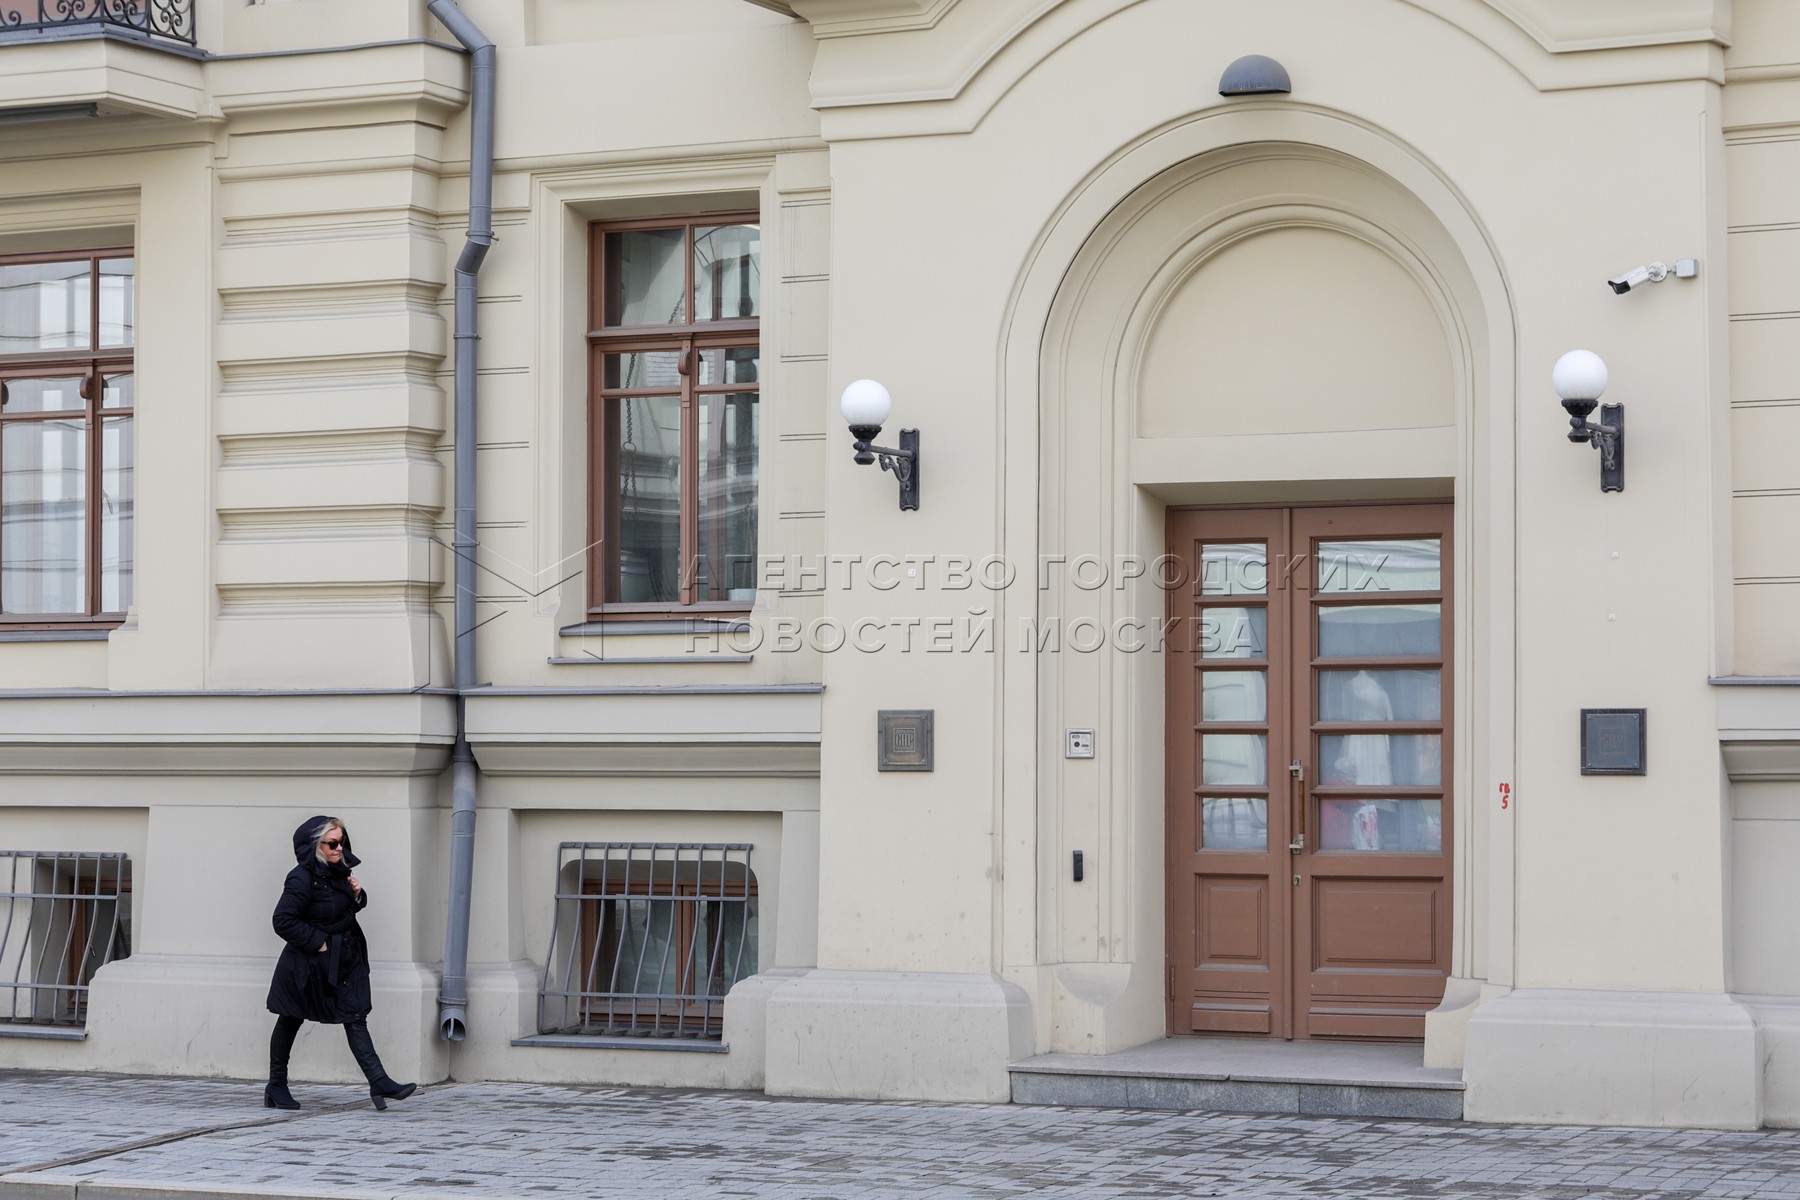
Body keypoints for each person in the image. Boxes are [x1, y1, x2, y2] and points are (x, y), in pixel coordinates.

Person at [263, 815, 417, 1111]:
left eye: (342, 841)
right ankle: (276, 1086)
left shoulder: (339, 872)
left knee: (355, 1014)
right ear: (315, 846)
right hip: (306, 966)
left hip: (344, 959)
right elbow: (282, 920)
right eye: (332, 843)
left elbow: (339, 910)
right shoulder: (301, 877)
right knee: (290, 1018)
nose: (339, 848)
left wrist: (358, 896)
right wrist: (318, 942)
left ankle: (379, 1081)